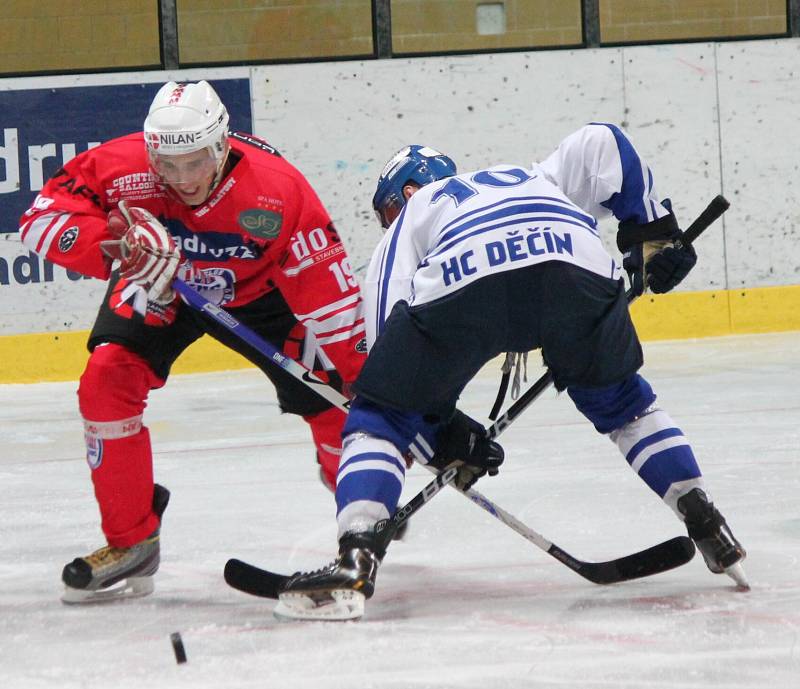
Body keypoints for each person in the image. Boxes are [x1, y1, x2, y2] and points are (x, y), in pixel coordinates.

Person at [273, 124, 748, 620]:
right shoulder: (533, 177)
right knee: (623, 404)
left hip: (464, 278)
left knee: (381, 418)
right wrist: (652, 233)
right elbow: (603, 143)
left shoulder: (414, 213)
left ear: (406, 193)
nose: (385, 222)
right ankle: (705, 518)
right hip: (573, 263)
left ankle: (357, 556)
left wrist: (436, 436)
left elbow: (385, 356)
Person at [18, 81, 367, 603]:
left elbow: (332, 302)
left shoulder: (277, 190)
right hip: (159, 283)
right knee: (106, 378)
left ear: (222, 145)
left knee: (338, 401)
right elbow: (40, 219)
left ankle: (362, 513)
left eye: (195, 162)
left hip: (260, 291)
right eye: (167, 164)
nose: (181, 179)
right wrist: (113, 248)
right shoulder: (123, 164)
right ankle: (131, 540)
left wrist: (374, 389)